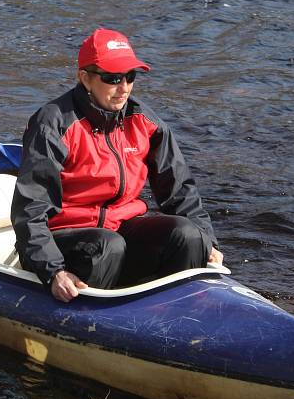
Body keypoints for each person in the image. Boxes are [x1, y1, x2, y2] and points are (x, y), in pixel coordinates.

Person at [12, 27, 223, 302]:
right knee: (107, 246)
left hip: (120, 231)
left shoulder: (144, 122)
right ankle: (87, 321)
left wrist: (209, 241)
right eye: (112, 78)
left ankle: (177, 312)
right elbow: (30, 209)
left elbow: (180, 190)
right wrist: (53, 271)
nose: (123, 87)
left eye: (130, 76)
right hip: (64, 240)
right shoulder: (52, 124)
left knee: (189, 235)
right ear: (85, 78)